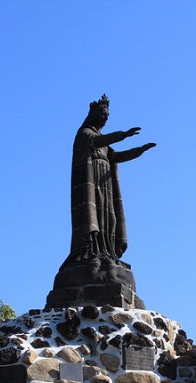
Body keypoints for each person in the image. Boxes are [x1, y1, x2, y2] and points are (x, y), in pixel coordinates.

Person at [65, 94, 155, 274]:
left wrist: (140, 151)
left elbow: (117, 157)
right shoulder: (85, 134)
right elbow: (99, 141)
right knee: (94, 218)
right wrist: (124, 135)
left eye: (107, 116)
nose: (105, 119)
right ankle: (91, 253)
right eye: (103, 115)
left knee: (109, 219)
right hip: (92, 185)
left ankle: (107, 253)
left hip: (105, 186)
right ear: (94, 116)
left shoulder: (105, 146)